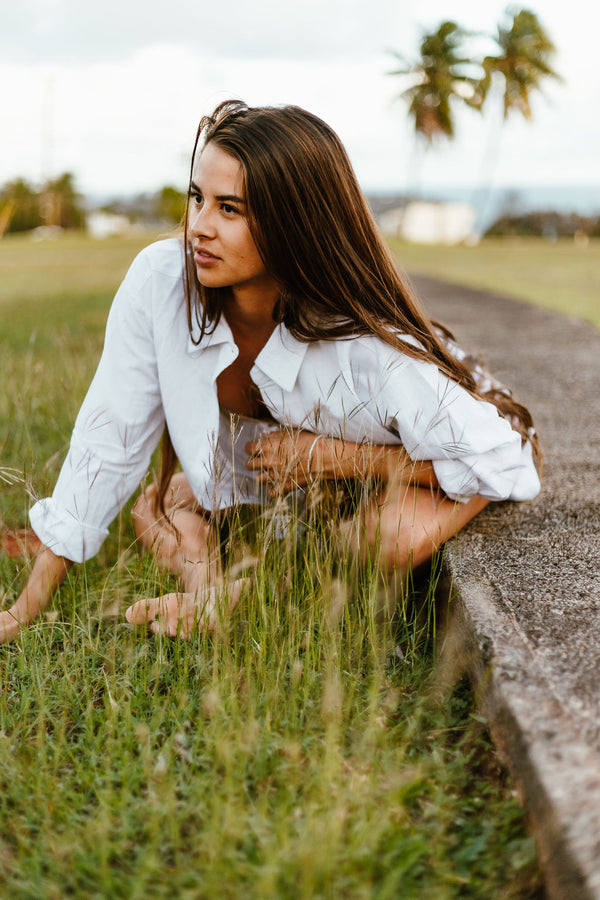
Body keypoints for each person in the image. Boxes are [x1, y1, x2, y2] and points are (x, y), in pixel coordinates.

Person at [0, 99, 541, 643]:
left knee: (388, 538)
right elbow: (108, 438)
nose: (198, 227)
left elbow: (500, 455)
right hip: (295, 487)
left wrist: (331, 456)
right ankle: (211, 597)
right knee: (159, 507)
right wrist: (26, 607)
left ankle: (246, 601)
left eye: (229, 209)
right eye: (197, 198)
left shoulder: (367, 348)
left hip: (443, 439)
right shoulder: (162, 282)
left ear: (293, 224)